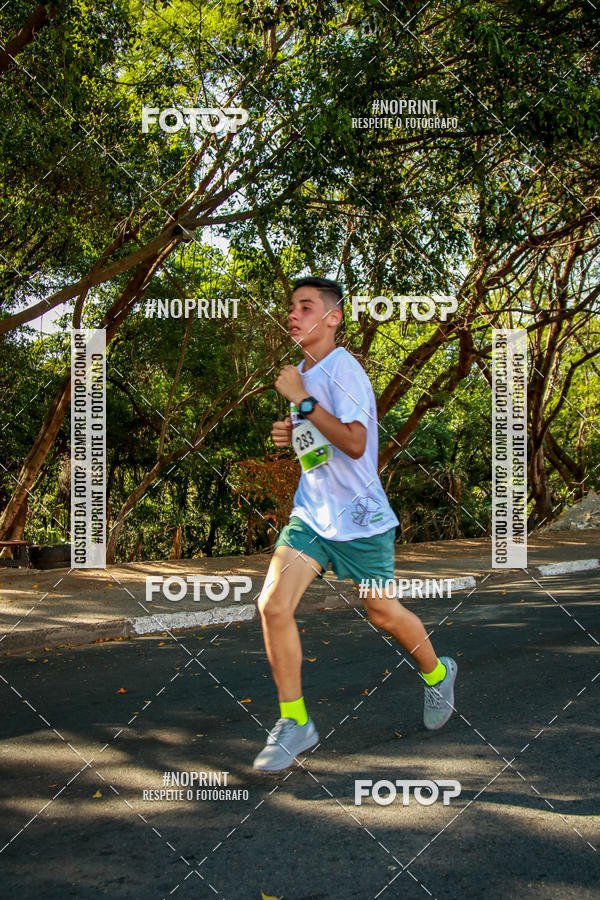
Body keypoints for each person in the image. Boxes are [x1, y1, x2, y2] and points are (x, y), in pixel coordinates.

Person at [252, 276, 456, 772]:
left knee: (382, 612)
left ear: (333, 318)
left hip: (361, 520)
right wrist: (293, 433)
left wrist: (302, 402)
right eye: (292, 307)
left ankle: (438, 673)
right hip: (312, 516)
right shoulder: (302, 373)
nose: (294, 314)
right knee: (273, 605)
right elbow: (320, 451)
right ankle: (295, 721)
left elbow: (356, 443)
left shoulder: (345, 370)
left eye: (306, 306)